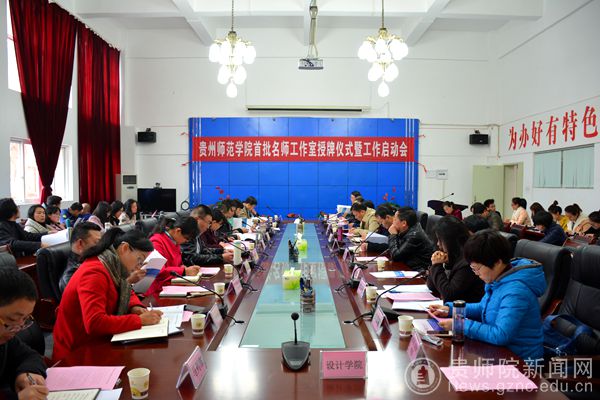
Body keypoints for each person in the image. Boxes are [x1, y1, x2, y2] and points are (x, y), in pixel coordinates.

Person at [430, 230, 546, 362]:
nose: (476, 273)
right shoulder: (499, 279)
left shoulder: (516, 291)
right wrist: (451, 309)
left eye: (477, 268)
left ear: (497, 262)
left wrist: (460, 325)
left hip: (520, 361)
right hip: (497, 352)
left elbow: (501, 335)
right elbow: (483, 308)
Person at [53, 229, 163, 361]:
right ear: (125, 248)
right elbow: (94, 322)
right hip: (78, 352)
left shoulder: (112, 266)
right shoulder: (94, 272)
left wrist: (135, 307)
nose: (139, 267)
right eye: (139, 260)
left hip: (100, 341)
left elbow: (125, 287)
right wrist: (139, 320)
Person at [0, 269, 48, 400]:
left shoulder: (5, 338)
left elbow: (30, 356)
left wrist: (26, 374)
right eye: (12, 319)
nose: (18, 328)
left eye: (25, 318)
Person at [427, 216, 484, 303]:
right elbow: (431, 286)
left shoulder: (467, 261)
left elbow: (449, 294)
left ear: (450, 240)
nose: (438, 244)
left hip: (466, 308)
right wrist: (438, 264)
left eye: (440, 240)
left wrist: (437, 266)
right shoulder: (454, 255)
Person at [146, 216, 201, 297]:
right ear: (178, 231)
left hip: (171, 286)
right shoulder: (156, 241)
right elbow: (157, 271)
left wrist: (183, 267)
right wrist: (184, 271)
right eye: (186, 238)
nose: (186, 241)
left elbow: (177, 264)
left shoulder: (174, 241)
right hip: (157, 291)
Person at [58, 222, 103, 294]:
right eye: (97, 243)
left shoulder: (95, 261)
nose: (101, 247)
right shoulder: (71, 277)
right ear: (80, 244)